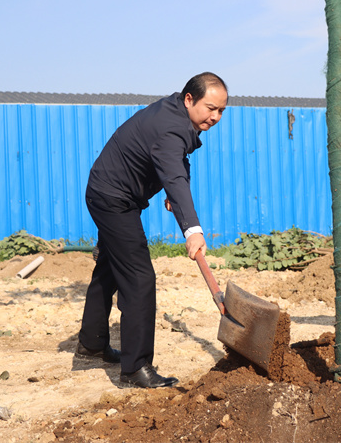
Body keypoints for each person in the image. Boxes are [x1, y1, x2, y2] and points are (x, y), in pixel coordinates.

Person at [75, 72, 228, 388]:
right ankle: (135, 369)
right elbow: (174, 174)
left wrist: (174, 193)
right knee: (139, 277)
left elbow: (176, 163)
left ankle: (91, 344)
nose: (215, 117)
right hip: (113, 199)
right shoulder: (171, 126)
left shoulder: (175, 114)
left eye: (221, 111)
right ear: (189, 99)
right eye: (211, 108)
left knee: (110, 268)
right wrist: (192, 230)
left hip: (108, 191)